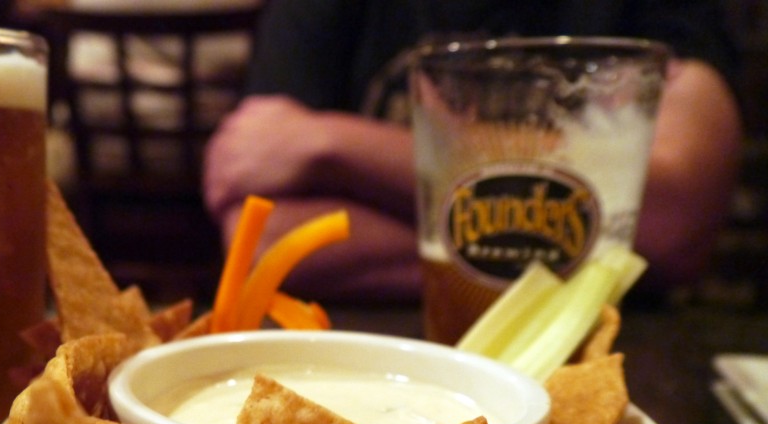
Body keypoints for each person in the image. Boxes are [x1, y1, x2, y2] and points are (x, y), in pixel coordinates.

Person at [203, 0, 745, 302]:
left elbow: (676, 215)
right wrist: (590, 244)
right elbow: (267, 240)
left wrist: (335, 144)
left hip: (615, 368)